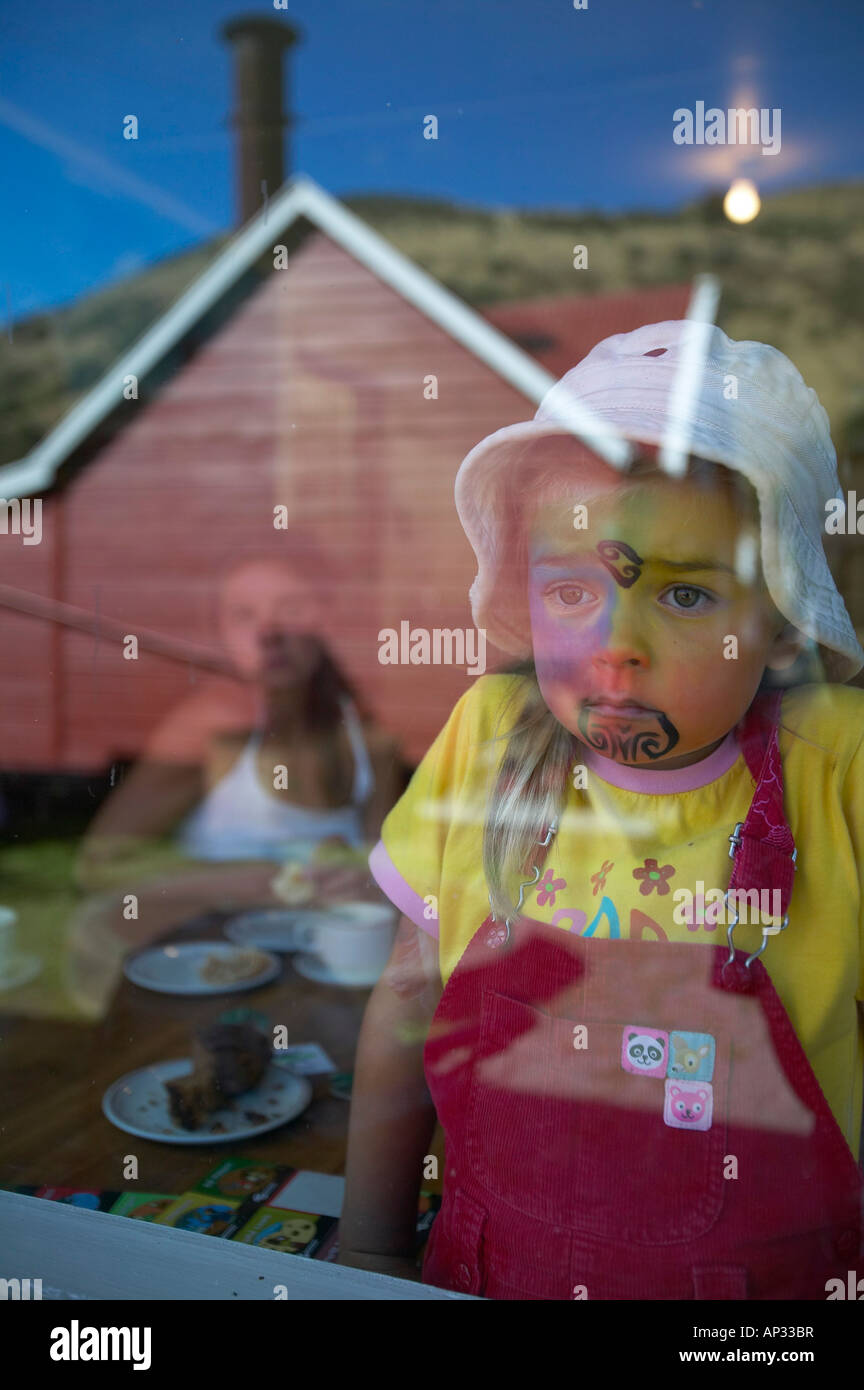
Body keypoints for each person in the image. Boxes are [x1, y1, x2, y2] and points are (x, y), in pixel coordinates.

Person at [337, 320, 864, 1299]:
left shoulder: (838, 764)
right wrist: (369, 1245)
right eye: (573, 587)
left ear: (781, 626)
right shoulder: (488, 735)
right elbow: (410, 997)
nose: (614, 644)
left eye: (689, 597)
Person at [73, 549, 403, 963]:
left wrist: (358, 877)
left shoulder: (368, 744)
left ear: (327, 621)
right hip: (206, 965)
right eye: (243, 615)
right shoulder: (210, 729)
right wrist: (237, 882)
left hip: (320, 972)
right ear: (221, 634)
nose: (268, 631)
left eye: (291, 608)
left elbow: (388, 882)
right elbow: (97, 865)